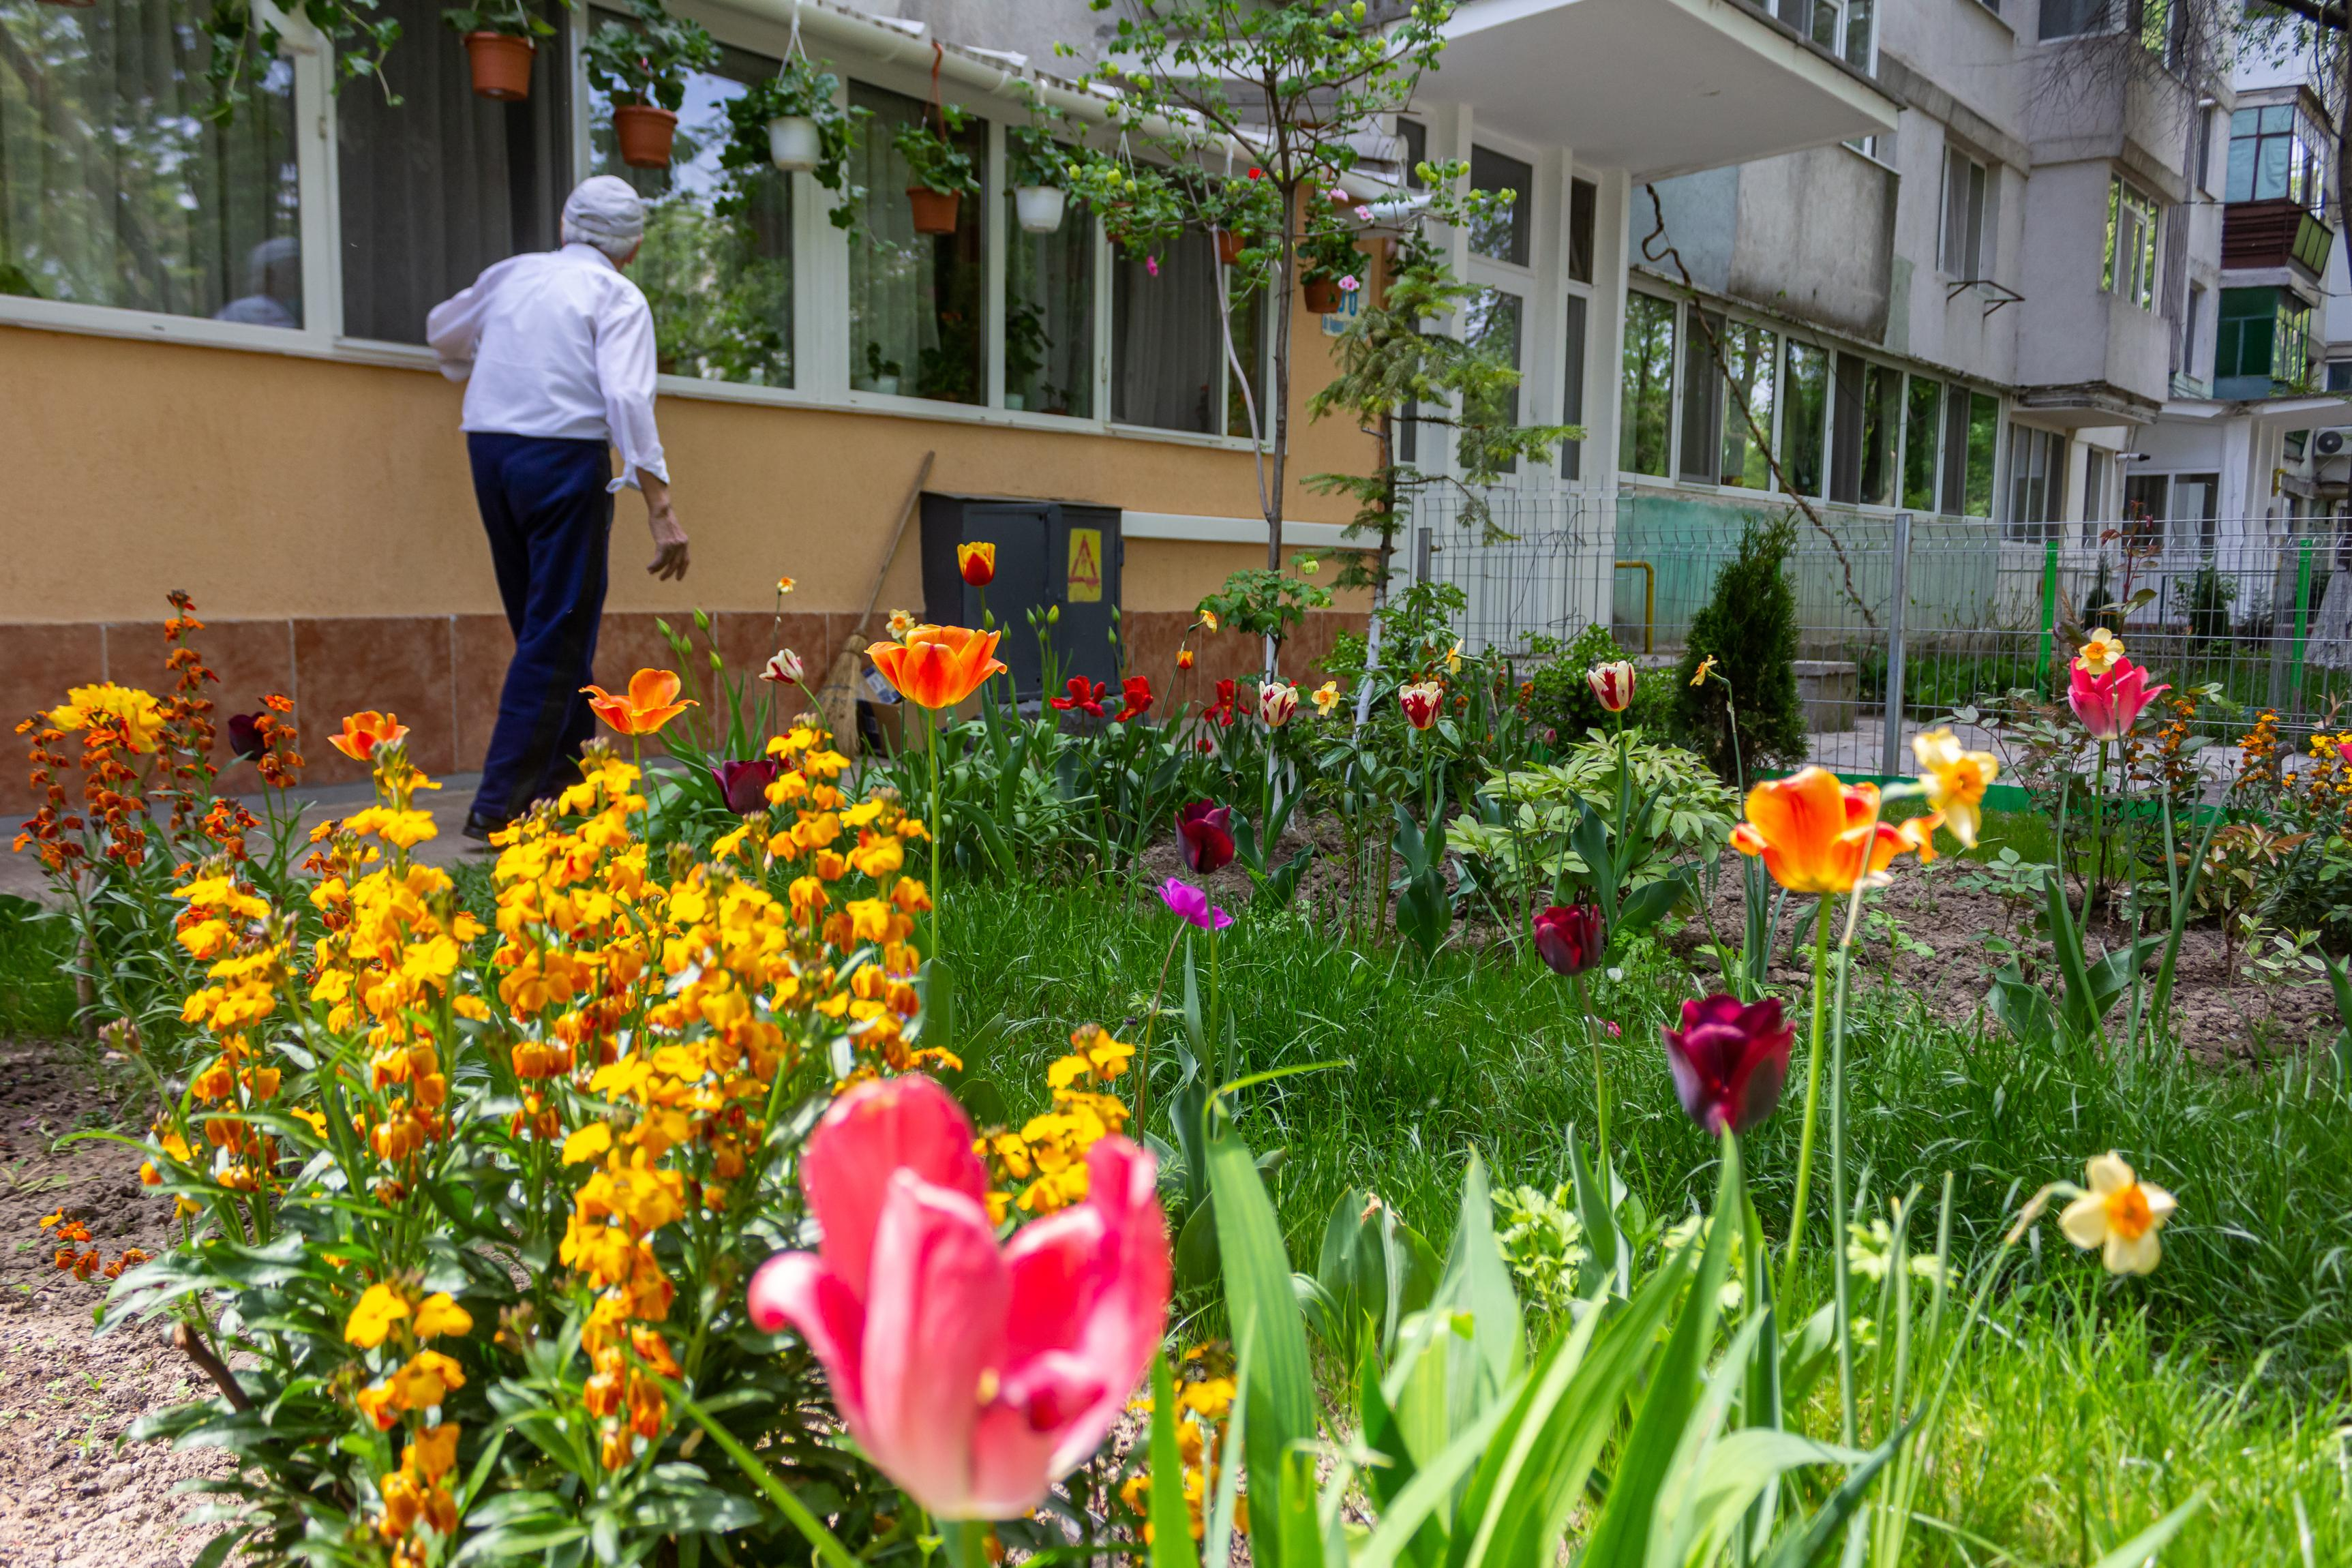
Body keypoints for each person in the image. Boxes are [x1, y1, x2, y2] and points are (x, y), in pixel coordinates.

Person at [427, 175, 691, 841]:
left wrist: (481, 355)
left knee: (544, 627)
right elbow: (628, 398)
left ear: (565, 227)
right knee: (557, 628)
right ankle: (500, 806)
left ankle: (568, 786)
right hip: (563, 458)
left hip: (489, 452)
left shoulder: (512, 275)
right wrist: (660, 505)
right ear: (630, 247)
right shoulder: (617, 294)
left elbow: (443, 333)